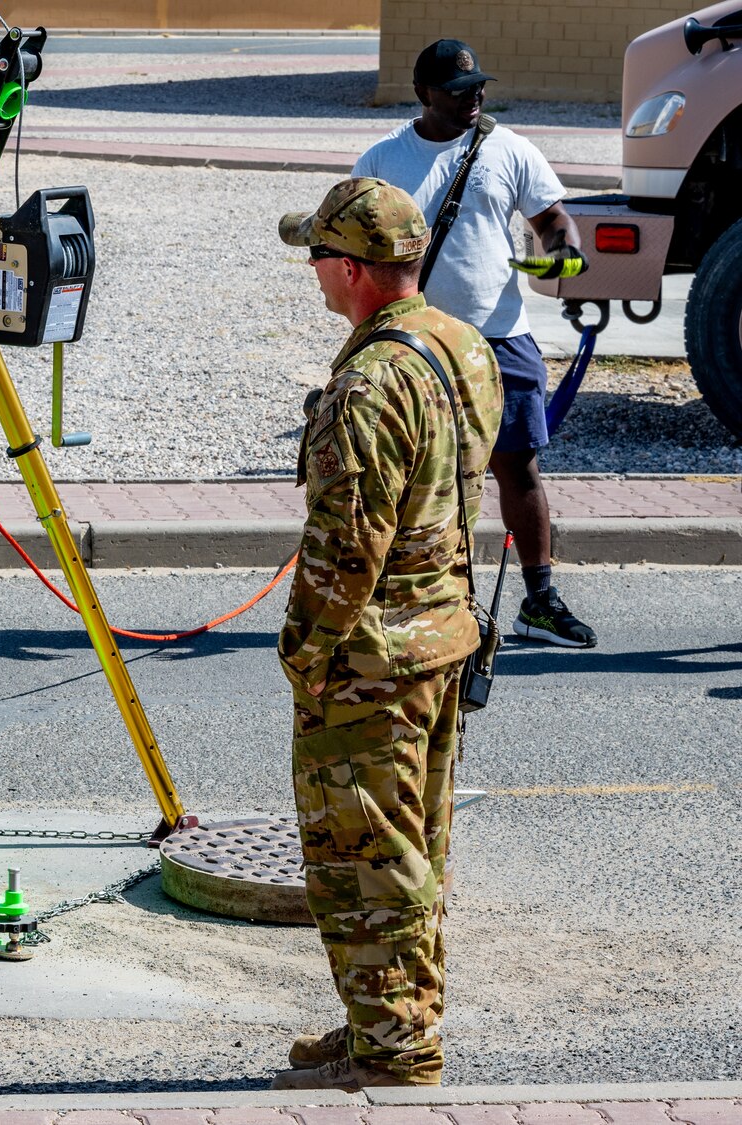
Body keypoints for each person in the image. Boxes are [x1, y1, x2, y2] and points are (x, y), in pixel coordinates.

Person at [272, 178, 501, 1090]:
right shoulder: (460, 344)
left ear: (356, 270)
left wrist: (306, 650)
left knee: (363, 855)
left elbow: (349, 543)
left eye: (320, 256)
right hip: (440, 633)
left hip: (373, 656)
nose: (314, 273)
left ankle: (398, 1052)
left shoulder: (370, 383)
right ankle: (385, 1023)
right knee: (415, 849)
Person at [352, 39, 597, 648]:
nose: (474, 97)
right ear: (424, 94)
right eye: (459, 91)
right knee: (412, 475)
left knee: (519, 467)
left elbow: (552, 219)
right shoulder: (383, 159)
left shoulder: (507, 149)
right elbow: (350, 248)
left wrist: (561, 249)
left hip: (500, 337)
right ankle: (413, 598)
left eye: (479, 87)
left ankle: (539, 600)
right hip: (412, 341)